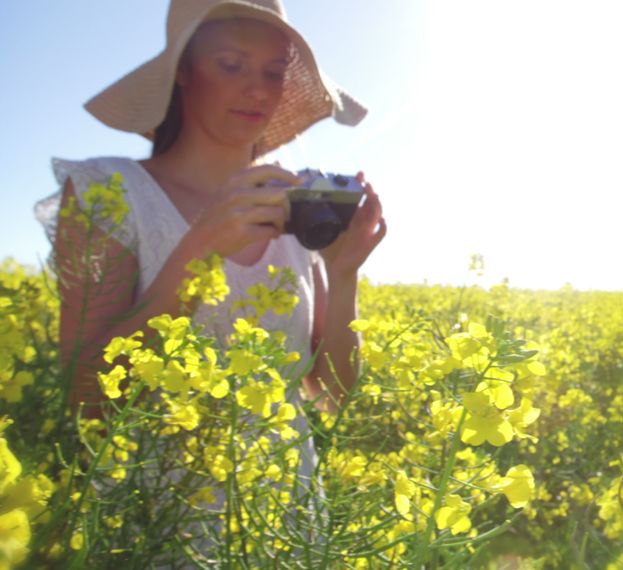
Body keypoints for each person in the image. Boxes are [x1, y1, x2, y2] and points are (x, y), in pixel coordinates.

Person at [33, 0, 386, 562]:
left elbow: (333, 394)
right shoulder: (108, 192)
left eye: (274, 71)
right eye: (231, 64)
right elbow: (87, 397)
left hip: (287, 523)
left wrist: (344, 275)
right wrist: (199, 251)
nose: (258, 89)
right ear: (182, 72)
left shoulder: (295, 209)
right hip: (157, 526)